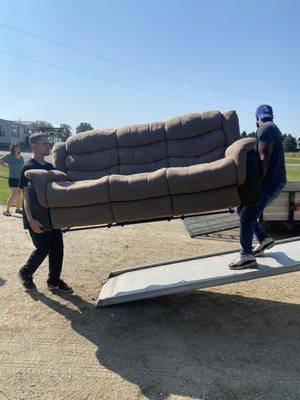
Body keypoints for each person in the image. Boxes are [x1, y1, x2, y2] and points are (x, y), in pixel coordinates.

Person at [229, 104, 286, 270]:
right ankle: (263, 238)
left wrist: (254, 186)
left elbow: (263, 159)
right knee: (242, 211)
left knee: (246, 216)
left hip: (269, 184)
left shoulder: (265, 130)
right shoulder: (273, 127)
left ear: (256, 118)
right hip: (275, 182)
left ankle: (246, 255)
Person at [18, 132, 73, 292]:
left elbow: (57, 195)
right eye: (44, 143)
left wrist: (64, 218)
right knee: (43, 248)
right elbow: (26, 197)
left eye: (48, 143)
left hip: (52, 217)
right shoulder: (27, 167)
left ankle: (54, 280)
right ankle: (25, 272)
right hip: (35, 217)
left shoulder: (50, 168)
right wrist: (31, 220)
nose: (48, 145)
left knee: (57, 247)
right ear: (34, 147)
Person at [0, 142, 24, 216]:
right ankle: (6, 211)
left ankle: (17, 209)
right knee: (14, 193)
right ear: (12, 149)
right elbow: (0, 161)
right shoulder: (9, 156)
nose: (17, 149)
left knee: (19, 193)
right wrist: (7, 166)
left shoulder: (21, 157)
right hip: (12, 177)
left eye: (18, 148)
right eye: (15, 148)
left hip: (20, 178)